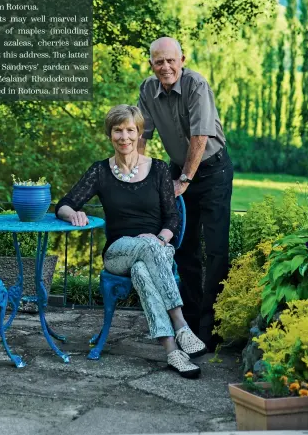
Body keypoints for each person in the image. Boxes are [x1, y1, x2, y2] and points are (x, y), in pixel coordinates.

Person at [55, 104, 208, 377]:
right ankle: (182, 325)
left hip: (157, 248)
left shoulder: (159, 169)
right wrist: (72, 213)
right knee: (144, 250)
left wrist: (160, 239)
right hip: (118, 252)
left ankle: (173, 351)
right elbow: (65, 203)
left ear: (139, 134)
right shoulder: (100, 171)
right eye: (117, 130)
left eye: (130, 130)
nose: (124, 137)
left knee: (142, 269)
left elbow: (172, 219)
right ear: (110, 134)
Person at [137, 37, 234, 351]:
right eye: (158, 62)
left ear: (182, 60)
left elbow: (200, 136)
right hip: (179, 172)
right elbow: (141, 136)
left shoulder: (196, 84)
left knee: (216, 249)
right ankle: (190, 322)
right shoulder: (147, 90)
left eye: (170, 61)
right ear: (151, 64)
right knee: (185, 247)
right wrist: (137, 176)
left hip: (211, 170)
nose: (165, 67)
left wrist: (185, 179)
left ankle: (213, 326)